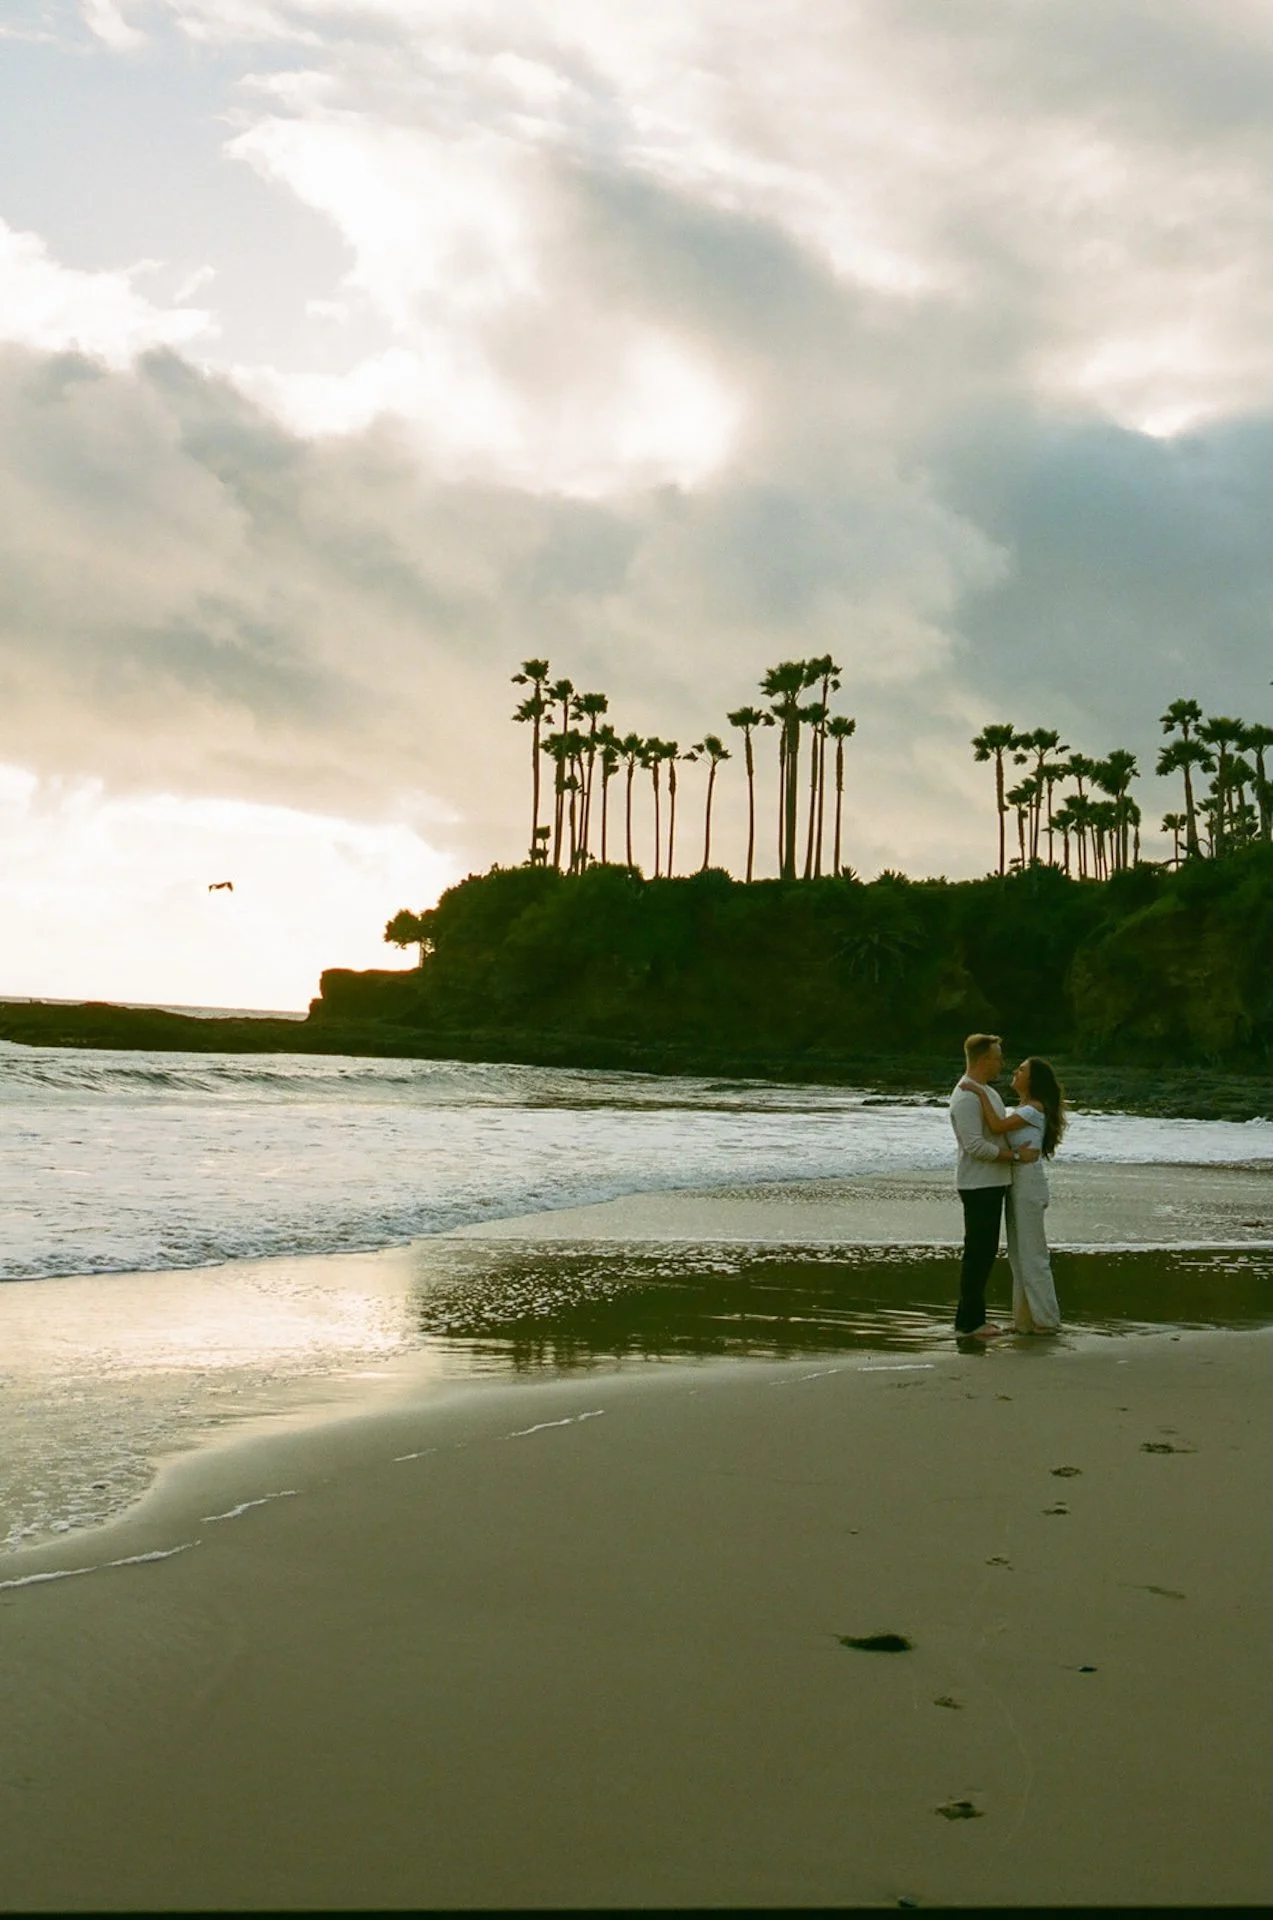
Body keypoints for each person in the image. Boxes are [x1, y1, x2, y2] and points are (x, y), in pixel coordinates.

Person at [960, 1056, 1066, 1333]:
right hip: (1017, 1183)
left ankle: (1046, 1320)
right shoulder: (1023, 1108)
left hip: (1028, 1184)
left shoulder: (1033, 1108)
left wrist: (980, 1091)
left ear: (1031, 1080)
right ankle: (1025, 1320)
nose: (1015, 1072)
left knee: (1033, 1256)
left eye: (1021, 1070)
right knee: (1018, 1256)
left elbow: (996, 1126)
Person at [948, 1034, 1039, 1338]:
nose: (1002, 1063)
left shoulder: (985, 1093)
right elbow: (975, 1145)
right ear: (984, 1059)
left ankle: (971, 1318)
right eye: (998, 1057)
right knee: (978, 1254)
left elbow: (997, 1130)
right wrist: (1014, 1156)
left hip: (991, 1182)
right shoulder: (965, 1097)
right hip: (978, 1184)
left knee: (983, 1253)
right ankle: (969, 1323)